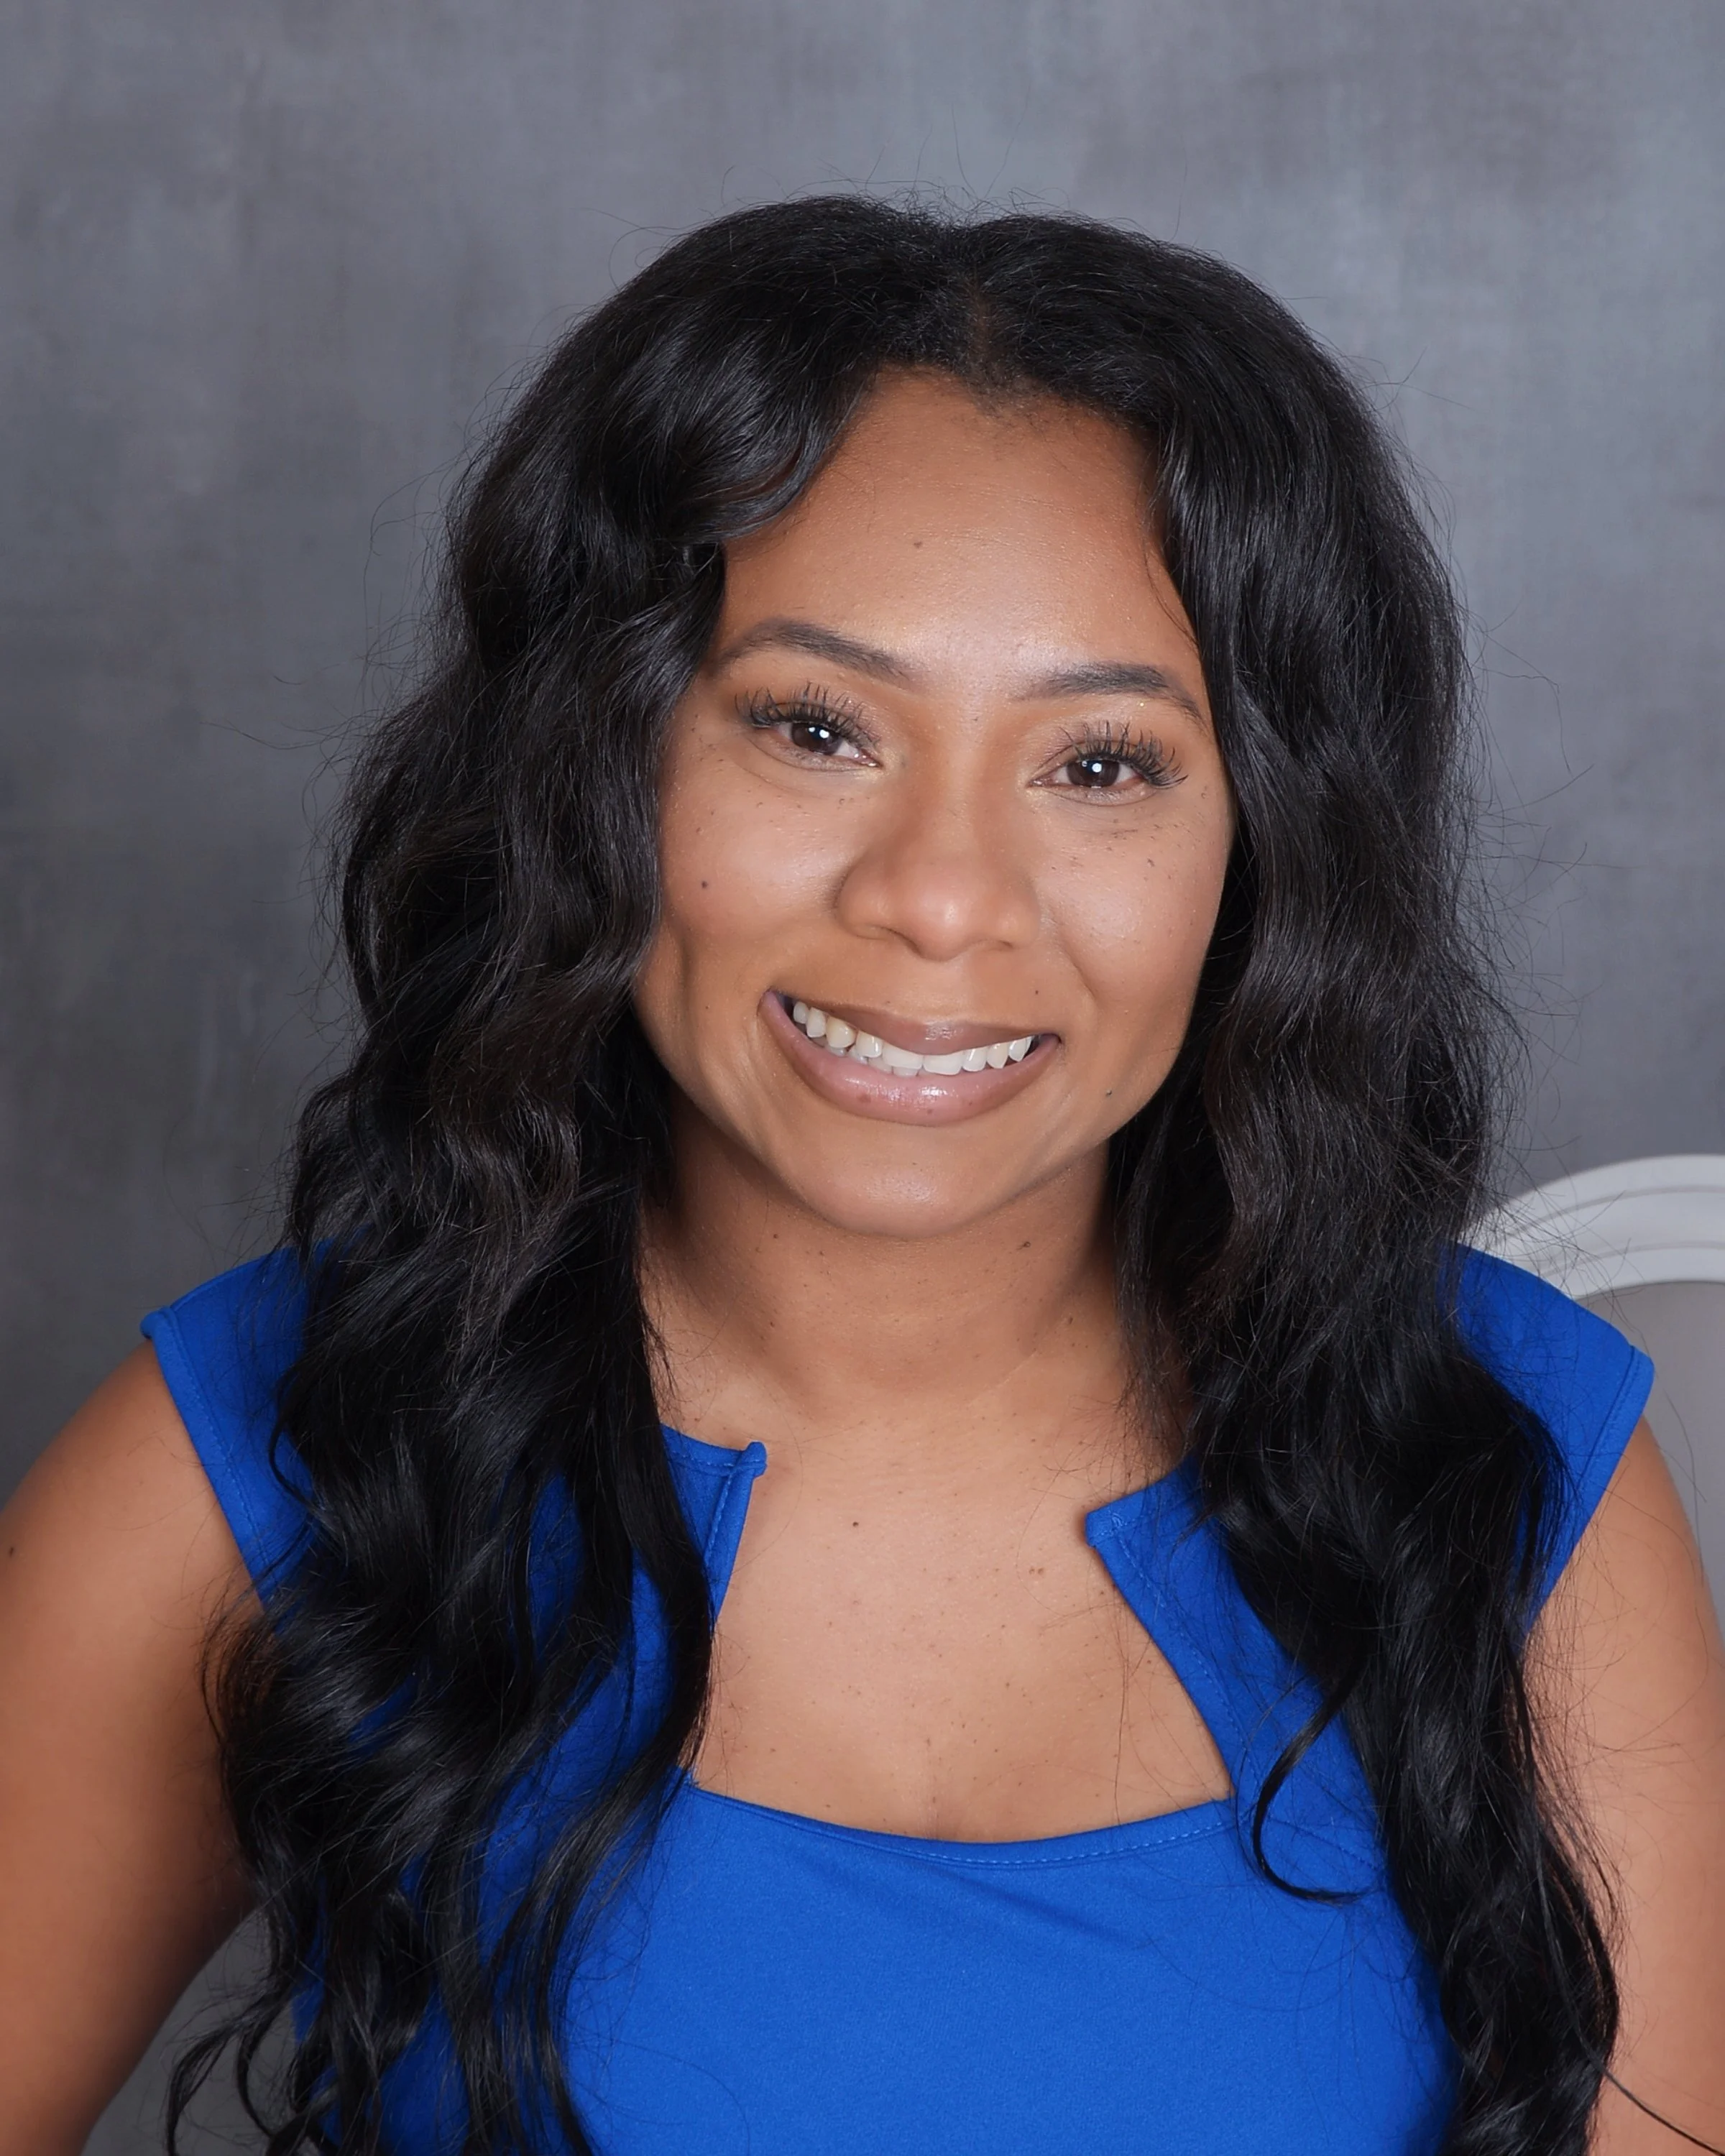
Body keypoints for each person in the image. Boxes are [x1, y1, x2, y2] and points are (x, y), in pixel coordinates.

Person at [1, 196, 1721, 2156]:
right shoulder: (265, 1449)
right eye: (815, 729)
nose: (941, 898)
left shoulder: (1513, 1462)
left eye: (1100, 764)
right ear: (599, 764)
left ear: (1262, 853)